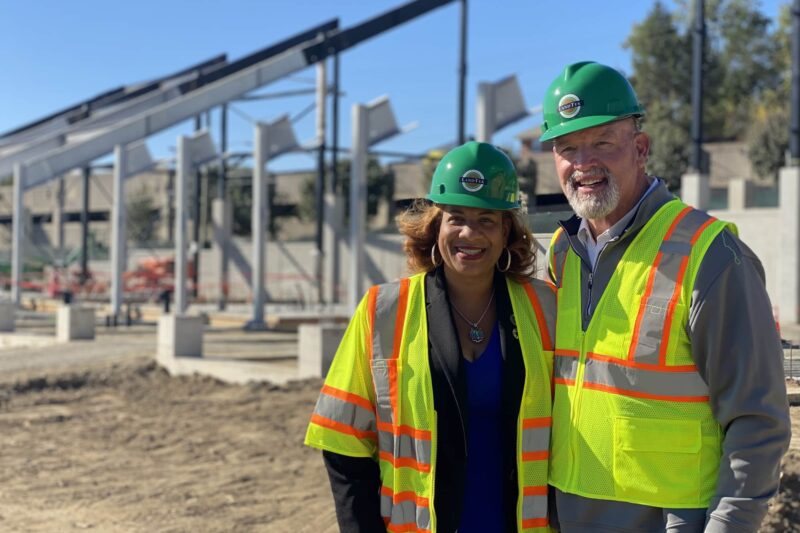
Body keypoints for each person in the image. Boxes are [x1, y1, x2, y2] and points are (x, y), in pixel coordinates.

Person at [540, 61, 791, 532]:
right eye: (567, 148)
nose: (583, 163)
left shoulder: (709, 254)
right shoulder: (563, 253)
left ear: (641, 148)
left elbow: (758, 420)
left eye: (602, 142)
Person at [305, 141, 556, 532]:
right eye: (455, 217)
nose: (469, 233)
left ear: (507, 230)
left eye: (486, 219)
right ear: (435, 225)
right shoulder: (382, 311)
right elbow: (343, 444)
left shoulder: (547, 308)